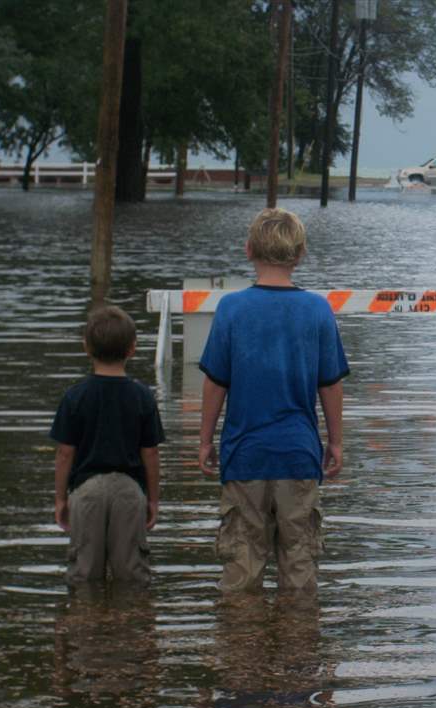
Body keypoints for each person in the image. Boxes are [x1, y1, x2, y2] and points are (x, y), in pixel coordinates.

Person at [199, 207, 349, 593]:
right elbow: (330, 385)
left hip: (243, 456)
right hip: (298, 455)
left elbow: (215, 382)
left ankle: (241, 645)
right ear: (300, 254)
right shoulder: (317, 309)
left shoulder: (232, 308)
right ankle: (298, 645)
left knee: (241, 564)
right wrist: (335, 442)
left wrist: (204, 440)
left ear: (248, 250)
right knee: (299, 562)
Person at [50, 305, 164, 587]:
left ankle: (86, 623)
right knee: (132, 574)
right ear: (132, 349)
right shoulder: (142, 397)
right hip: (129, 490)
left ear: (86, 348)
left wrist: (61, 499)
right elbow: (150, 452)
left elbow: (65, 453)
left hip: (87, 491)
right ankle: (132, 623)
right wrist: (152, 499)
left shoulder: (75, 396)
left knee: (84, 573)